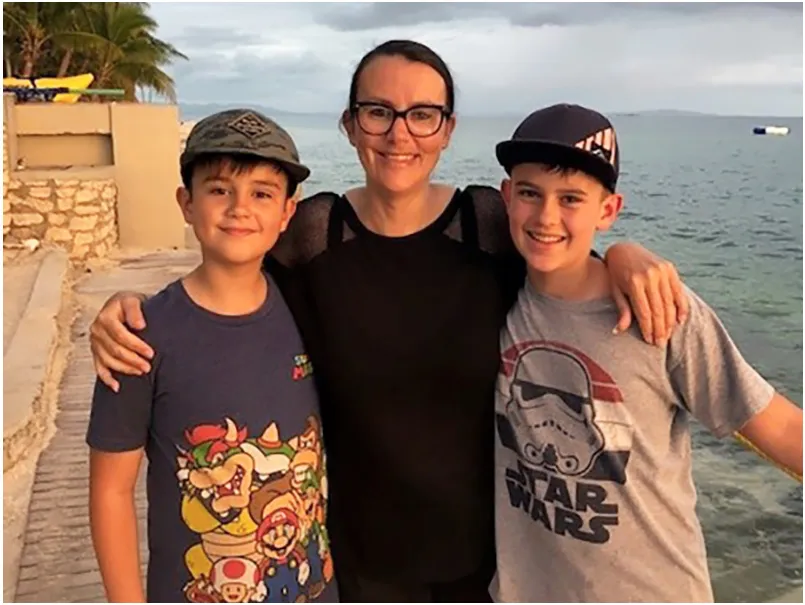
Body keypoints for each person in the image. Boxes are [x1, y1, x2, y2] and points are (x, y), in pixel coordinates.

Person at [87, 40, 690, 602]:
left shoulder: (484, 226)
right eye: (378, 112)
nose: (400, 134)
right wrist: (128, 312)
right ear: (350, 124)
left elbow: (561, 256)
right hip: (346, 568)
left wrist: (621, 256)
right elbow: (226, 278)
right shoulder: (314, 235)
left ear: (447, 129)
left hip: (487, 569)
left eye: (422, 114)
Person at [490, 102, 803, 603]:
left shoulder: (659, 312)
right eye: (530, 193)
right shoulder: (496, 295)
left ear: (608, 211)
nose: (546, 216)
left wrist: (623, 254)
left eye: (571, 198)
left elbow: (779, 426)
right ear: (507, 197)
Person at [86, 109, 339, 603]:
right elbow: (111, 491)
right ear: (186, 202)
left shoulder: (311, 308)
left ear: (288, 212)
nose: (239, 208)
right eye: (220, 189)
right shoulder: (139, 337)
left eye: (262, 194)